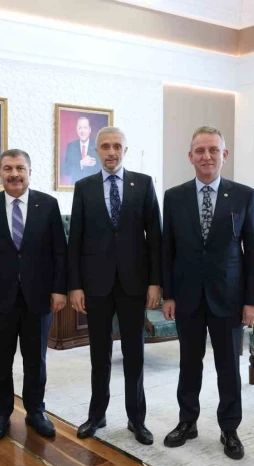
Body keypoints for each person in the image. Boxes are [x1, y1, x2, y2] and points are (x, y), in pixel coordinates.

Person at [161, 126, 254, 460]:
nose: (207, 157)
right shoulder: (174, 197)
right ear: (190, 156)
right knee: (188, 364)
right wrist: (169, 295)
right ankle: (187, 421)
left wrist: (253, 301)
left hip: (229, 298)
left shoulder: (244, 196)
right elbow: (167, 250)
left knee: (228, 367)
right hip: (187, 296)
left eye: (213, 150)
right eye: (200, 151)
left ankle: (229, 428)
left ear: (224, 155)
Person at [68, 127, 162, 445]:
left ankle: (137, 419)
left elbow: (155, 238)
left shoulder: (143, 184)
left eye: (117, 146)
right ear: (96, 151)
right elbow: (75, 240)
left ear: (125, 150)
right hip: (96, 284)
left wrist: (155, 282)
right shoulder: (84, 188)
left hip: (134, 283)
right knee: (100, 354)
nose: (111, 152)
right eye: (105, 146)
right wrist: (75, 286)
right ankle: (97, 415)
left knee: (134, 354)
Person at [0, 149, 67, 440]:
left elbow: (59, 252)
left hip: (38, 296)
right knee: (0, 359)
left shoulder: (48, 205)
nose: (14, 174)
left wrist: (59, 289)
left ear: (29, 172)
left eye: (20, 168)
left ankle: (36, 410)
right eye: (8, 168)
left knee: (35, 359)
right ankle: (1, 411)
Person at [62, 116, 100, 184]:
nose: (82, 131)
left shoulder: (97, 147)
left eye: (85, 127)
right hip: (75, 187)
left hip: (93, 187)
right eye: (80, 128)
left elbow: (102, 171)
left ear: (89, 130)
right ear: (76, 130)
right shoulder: (71, 147)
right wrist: (81, 163)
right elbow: (66, 170)